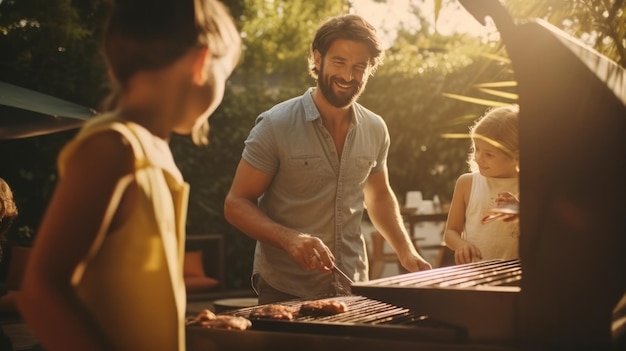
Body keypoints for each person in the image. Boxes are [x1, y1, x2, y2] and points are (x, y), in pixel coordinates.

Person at [18, 1, 241, 350]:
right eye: (224, 75)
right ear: (200, 64)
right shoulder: (113, 147)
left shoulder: (153, 149)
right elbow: (40, 291)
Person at [223, 13, 431, 305]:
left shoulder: (376, 128)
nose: (348, 76)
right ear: (317, 59)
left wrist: (406, 252)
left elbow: (380, 198)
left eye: (360, 66)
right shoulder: (275, 124)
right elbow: (235, 204)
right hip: (286, 287)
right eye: (339, 62)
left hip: (354, 284)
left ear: (370, 68)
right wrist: (289, 239)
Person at [443, 104, 520, 265]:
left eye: (489, 154)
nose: (479, 157)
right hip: (476, 274)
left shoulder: (532, 187)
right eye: (476, 149)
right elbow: (450, 232)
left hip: (517, 278)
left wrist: (521, 212)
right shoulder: (467, 183)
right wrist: (462, 245)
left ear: (516, 157)